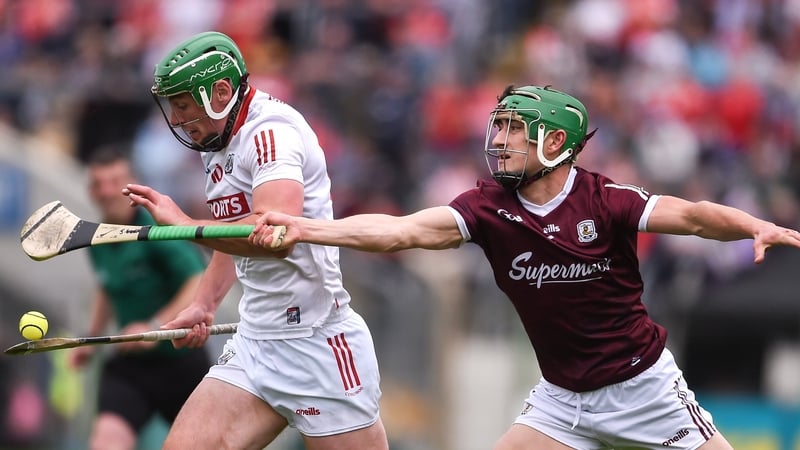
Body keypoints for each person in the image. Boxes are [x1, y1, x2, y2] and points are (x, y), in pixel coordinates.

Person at [250, 84, 800, 449]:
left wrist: (752, 225)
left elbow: (696, 217)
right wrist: (306, 228)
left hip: (642, 388)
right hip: (561, 398)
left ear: (556, 141)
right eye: (499, 126)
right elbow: (402, 231)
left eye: (515, 129)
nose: (499, 139)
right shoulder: (487, 208)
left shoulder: (604, 200)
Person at [122, 31, 389, 450]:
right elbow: (232, 234)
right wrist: (204, 303)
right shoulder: (217, 141)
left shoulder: (271, 133)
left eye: (182, 104)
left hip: (317, 344)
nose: (175, 119)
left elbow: (274, 234)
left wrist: (184, 224)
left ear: (220, 92)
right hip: (255, 342)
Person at [68, 148, 210, 450]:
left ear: (133, 186)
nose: (107, 191)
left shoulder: (155, 230)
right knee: (107, 442)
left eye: (115, 182)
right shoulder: (96, 238)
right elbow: (107, 286)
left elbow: (198, 279)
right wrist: (91, 338)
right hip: (131, 364)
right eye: (98, 184)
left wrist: (154, 326)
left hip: (181, 362)